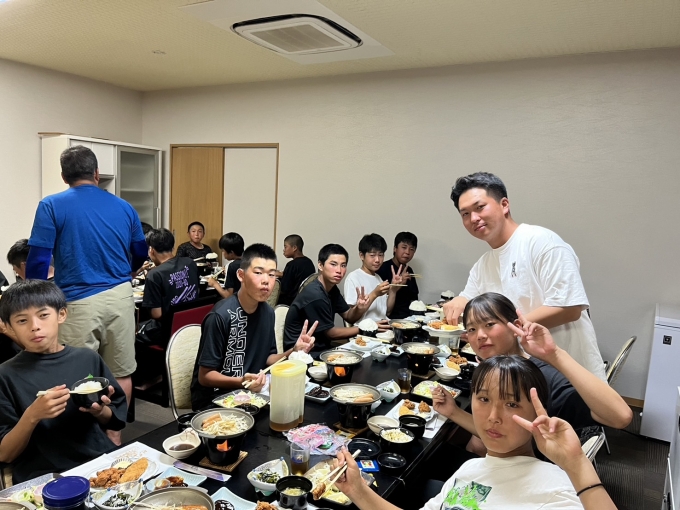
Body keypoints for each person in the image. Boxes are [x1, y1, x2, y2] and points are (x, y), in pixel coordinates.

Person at [333, 356, 618, 510]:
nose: (493, 417)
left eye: (511, 404)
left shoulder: (550, 486)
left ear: (537, 412)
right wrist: (357, 490)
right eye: (483, 399)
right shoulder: (470, 470)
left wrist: (576, 464)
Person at [443, 172, 606, 380]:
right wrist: (459, 300)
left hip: (570, 378)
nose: (473, 218)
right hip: (523, 377)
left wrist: (508, 329)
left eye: (480, 207)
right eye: (465, 214)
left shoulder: (542, 242)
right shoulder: (482, 265)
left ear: (504, 205)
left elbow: (569, 308)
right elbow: (469, 300)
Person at [25, 145, 147, 413]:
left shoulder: (51, 205)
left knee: (79, 375)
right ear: (96, 173)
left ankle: (86, 433)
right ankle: (115, 430)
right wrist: (129, 271)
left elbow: (39, 261)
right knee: (121, 371)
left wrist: (34, 301)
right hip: (121, 297)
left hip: (77, 302)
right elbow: (141, 251)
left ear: (64, 176)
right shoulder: (124, 207)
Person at [433, 293, 632, 456]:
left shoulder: (540, 376)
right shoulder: (491, 370)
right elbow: (498, 431)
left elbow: (620, 417)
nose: (480, 335)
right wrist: (453, 411)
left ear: (516, 326)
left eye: (489, 324)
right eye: (472, 329)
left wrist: (555, 355)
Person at [0, 280, 127, 483]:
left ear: (61, 314)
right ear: (8, 327)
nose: (35, 326)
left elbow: (115, 420)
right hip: (45, 475)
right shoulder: (5, 375)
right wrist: (32, 415)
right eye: (22, 320)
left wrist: (100, 411)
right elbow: (5, 454)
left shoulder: (87, 358)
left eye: (43, 315)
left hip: (98, 463)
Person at [190, 243, 317, 410]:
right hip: (216, 400)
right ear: (241, 275)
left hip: (252, 394)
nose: (266, 281)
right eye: (258, 273)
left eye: (272, 275)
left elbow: (268, 358)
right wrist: (242, 381)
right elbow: (205, 376)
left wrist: (294, 351)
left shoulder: (268, 313)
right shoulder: (220, 316)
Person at [283, 244, 375, 354]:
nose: (339, 270)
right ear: (320, 265)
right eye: (333, 264)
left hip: (320, 348)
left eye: (343, 265)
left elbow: (348, 316)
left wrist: (359, 308)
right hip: (301, 354)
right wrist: (367, 328)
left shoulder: (331, 288)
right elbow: (331, 333)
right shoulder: (315, 294)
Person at [343, 234, 406, 325]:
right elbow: (351, 318)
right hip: (365, 330)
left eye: (381, 255)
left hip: (384, 327)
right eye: (372, 255)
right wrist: (375, 294)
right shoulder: (353, 278)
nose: (377, 260)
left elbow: (387, 312)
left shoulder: (378, 278)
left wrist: (393, 289)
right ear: (361, 255)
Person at [142, 228, 200, 321]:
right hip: (192, 320)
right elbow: (197, 290)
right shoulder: (190, 262)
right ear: (172, 247)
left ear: (151, 250)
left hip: (169, 325)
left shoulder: (154, 274)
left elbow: (157, 314)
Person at [376, 232, 419, 319]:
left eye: (411, 249)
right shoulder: (382, 269)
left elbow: (414, 298)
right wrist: (398, 285)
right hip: (391, 318)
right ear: (395, 249)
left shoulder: (409, 271)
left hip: (410, 318)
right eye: (404, 247)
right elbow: (379, 299)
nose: (407, 252)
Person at [276, 234, 316, 306]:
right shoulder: (309, 262)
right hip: (305, 301)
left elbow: (284, 288)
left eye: (285, 247)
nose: (284, 250)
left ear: (294, 248)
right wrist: (284, 275)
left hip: (290, 302)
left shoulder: (292, 265)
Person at [206, 232, 244, 300]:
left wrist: (214, 284)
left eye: (223, 251)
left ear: (231, 252)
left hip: (238, 303)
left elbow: (228, 295)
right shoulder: (249, 260)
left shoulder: (232, 266)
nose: (222, 253)